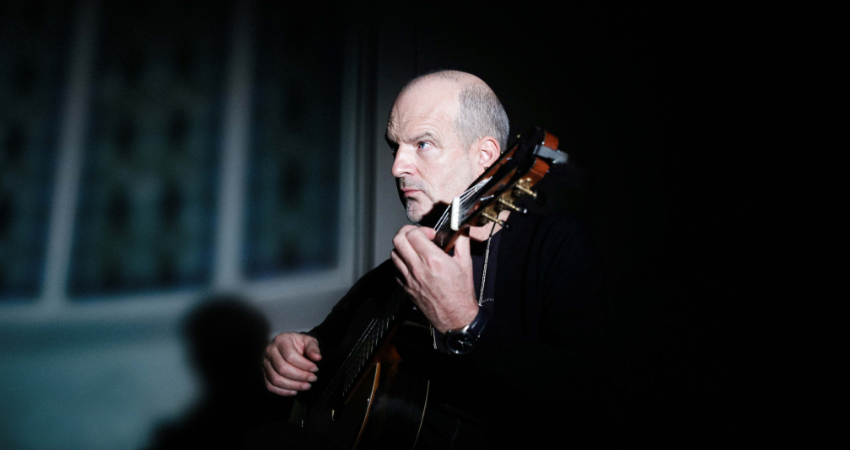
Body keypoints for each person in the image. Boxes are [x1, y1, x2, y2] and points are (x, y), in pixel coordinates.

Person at [262, 71, 609, 448]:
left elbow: (591, 395)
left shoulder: (554, 245)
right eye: (395, 148)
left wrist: (466, 323)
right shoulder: (392, 275)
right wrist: (292, 353)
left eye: (423, 144)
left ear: (485, 157)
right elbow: (323, 348)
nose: (397, 167)